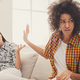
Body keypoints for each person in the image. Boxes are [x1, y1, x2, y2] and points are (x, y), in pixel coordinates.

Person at [23, 0, 80, 80]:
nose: (67, 25)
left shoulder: (78, 44)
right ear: (58, 23)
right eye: (63, 21)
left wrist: (70, 74)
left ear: (75, 22)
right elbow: (46, 54)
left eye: (70, 21)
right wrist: (27, 41)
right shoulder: (55, 37)